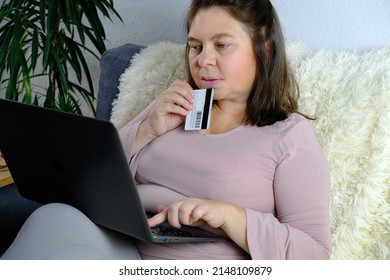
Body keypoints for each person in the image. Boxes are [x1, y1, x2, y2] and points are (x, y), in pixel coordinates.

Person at [1, 0, 332, 260]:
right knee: (55, 216)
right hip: (124, 244)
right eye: (195, 46)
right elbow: (98, 175)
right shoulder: (175, 104)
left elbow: (315, 254)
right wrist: (147, 129)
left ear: (264, 48)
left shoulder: (288, 135)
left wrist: (231, 216)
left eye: (222, 45)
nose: (203, 60)